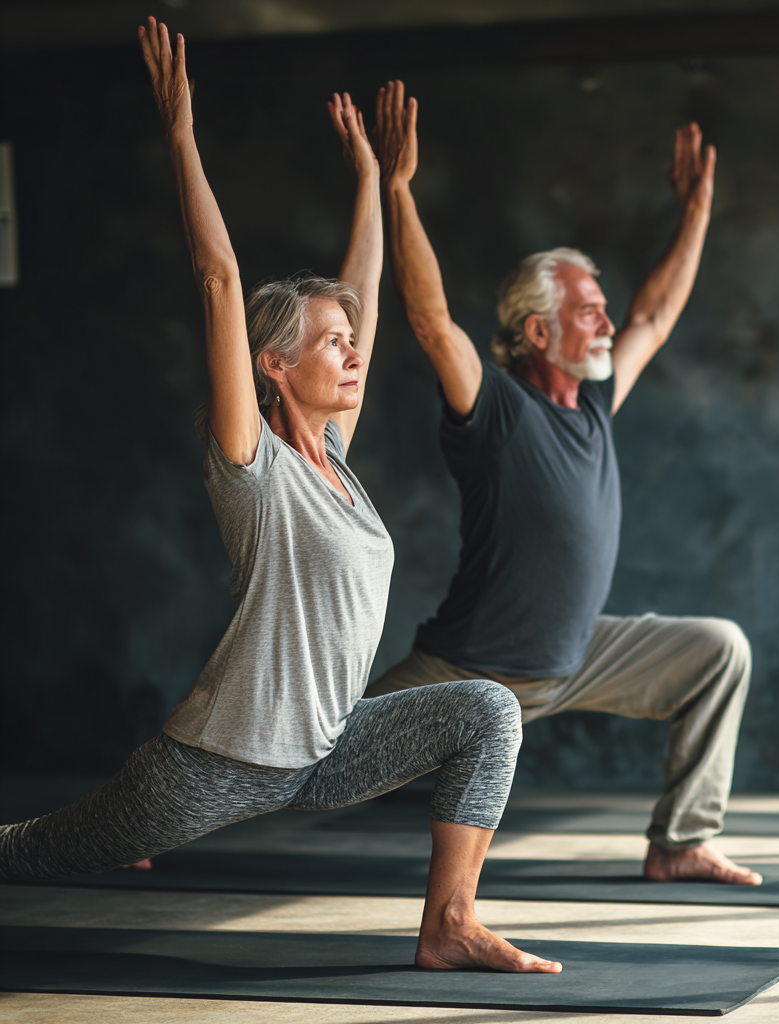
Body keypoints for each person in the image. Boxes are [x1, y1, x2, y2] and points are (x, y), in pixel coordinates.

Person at [0, 22, 562, 975]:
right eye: (330, 343)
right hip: (219, 763)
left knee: (486, 714)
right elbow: (219, 280)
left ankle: (448, 925)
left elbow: (370, 300)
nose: (352, 354)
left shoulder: (336, 462)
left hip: (327, 747)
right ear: (272, 365)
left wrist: (375, 184)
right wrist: (180, 132)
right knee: (34, 853)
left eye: (351, 342)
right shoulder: (251, 462)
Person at [367, 81, 761, 887]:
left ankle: (680, 840)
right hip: (466, 672)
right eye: (589, 312)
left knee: (718, 651)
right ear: (538, 331)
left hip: (575, 655)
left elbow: (653, 316)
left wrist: (695, 214)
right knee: (306, 760)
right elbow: (431, 320)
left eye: (603, 308)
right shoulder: (493, 406)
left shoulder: (596, 404)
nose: (609, 324)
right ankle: (153, 815)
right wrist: (397, 189)